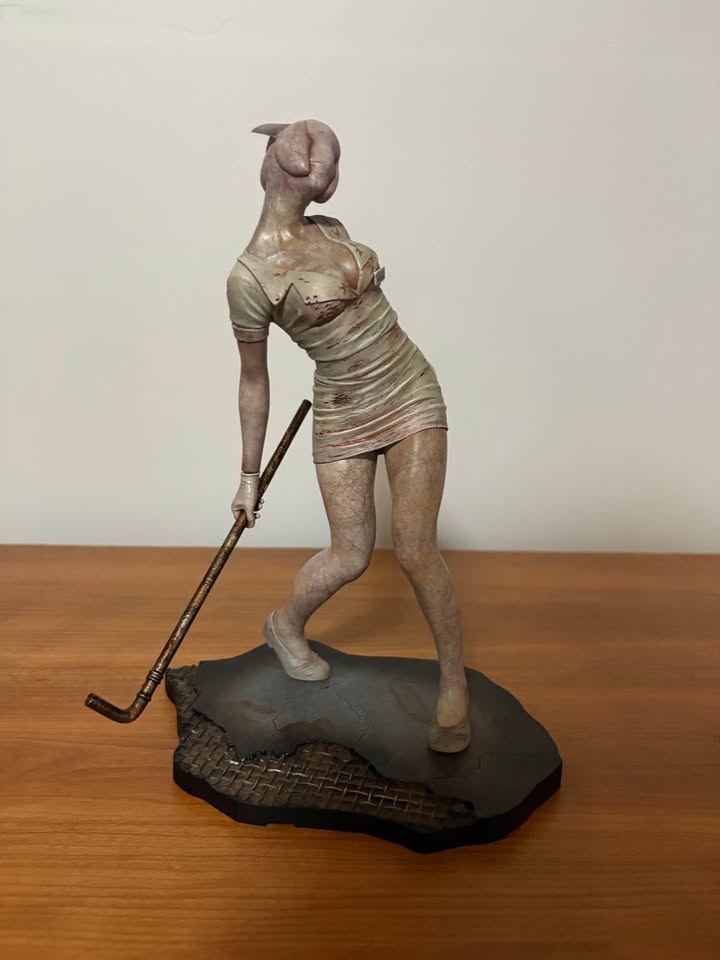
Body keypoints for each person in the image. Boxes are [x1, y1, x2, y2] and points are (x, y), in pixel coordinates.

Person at [227, 119, 470, 753]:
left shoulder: (330, 230)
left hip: (409, 385)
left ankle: (453, 686)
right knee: (351, 556)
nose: (326, 182)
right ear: (280, 171)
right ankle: (285, 625)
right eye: (318, 170)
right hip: (343, 409)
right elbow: (254, 381)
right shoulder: (250, 279)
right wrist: (249, 476)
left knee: (416, 546)